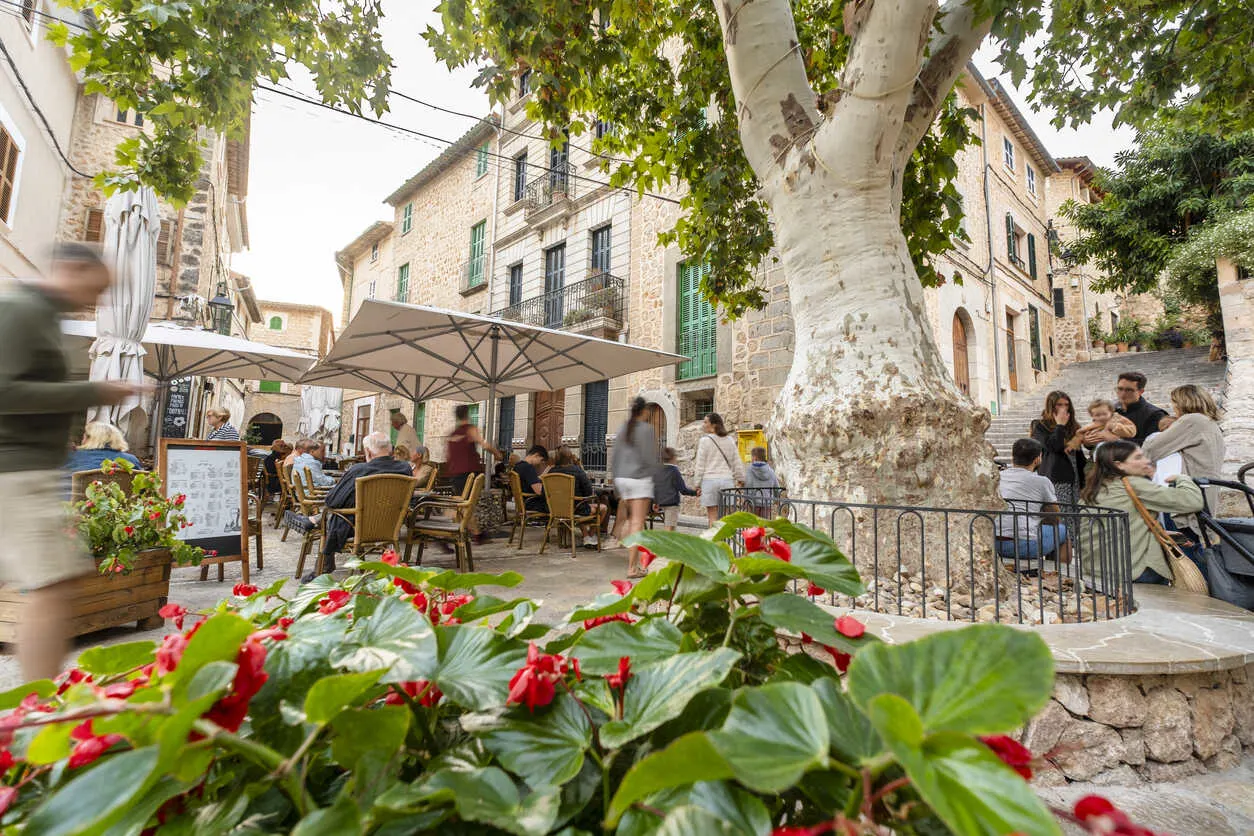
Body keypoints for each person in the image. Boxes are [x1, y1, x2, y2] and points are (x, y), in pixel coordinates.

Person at [0, 242, 148, 680]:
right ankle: (38, 709)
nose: (95, 301)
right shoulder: (23, 310)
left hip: (25, 466)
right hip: (16, 470)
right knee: (54, 584)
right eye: (95, 288)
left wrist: (60, 438)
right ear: (72, 269)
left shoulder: (42, 315)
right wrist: (94, 393)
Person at [1081, 440, 1205, 585]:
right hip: (1136, 571)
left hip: (1098, 570)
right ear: (1118, 465)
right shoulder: (1133, 485)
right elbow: (1192, 501)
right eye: (1138, 457)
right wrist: (1183, 479)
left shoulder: (1091, 491)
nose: (1146, 461)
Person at [308, 431, 412, 581]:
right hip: (390, 525)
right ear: (390, 449)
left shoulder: (359, 470)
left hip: (357, 527)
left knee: (332, 515)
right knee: (336, 513)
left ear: (368, 452)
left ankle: (323, 559)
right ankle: (313, 521)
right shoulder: (405, 468)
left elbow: (332, 501)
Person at [1142, 384, 1225, 531]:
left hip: (1186, 496)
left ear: (1182, 402)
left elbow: (1151, 449)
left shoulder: (1191, 421)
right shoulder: (1210, 424)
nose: (1172, 406)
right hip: (1204, 494)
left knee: (1184, 548)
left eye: (1174, 402)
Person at [996, 439, 1069, 565]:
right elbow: (1055, 518)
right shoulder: (1042, 481)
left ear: (1013, 457)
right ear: (1038, 459)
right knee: (1062, 530)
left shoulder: (998, 476)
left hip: (993, 541)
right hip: (1024, 545)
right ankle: (1057, 575)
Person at [611, 397, 659, 577]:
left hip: (623, 479)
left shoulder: (623, 427)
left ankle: (628, 552)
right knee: (637, 523)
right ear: (644, 411)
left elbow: (614, 457)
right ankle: (632, 568)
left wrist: (616, 483)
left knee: (632, 521)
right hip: (639, 479)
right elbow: (649, 458)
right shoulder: (647, 429)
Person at [446, 404, 505, 543]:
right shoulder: (470, 429)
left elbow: (449, 455)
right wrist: (497, 454)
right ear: (468, 415)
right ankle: (443, 535)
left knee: (465, 503)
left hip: (455, 473)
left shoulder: (452, 434)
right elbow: (484, 444)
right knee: (463, 504)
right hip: (468, 473)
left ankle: (477, 534)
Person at [1029, 391, 1086, 505]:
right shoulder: (1039, 425)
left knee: (1075, 516)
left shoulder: (1073, 426)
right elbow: (1054, 446)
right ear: (1051, 406)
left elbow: (1079, 454)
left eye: (1066, 405)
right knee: (1059, 516)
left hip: (1074, 478)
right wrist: (1060, 425)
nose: (1063, 408)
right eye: (1059, 405)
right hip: (1055, 477)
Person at [693, 412, 745, 527]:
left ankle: (714, 542)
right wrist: (740, 478)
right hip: (727, 481)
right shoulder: (730, 440)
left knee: (712, 517)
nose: (704, 424)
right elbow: (736, 461)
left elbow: (700, 465)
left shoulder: (704, 441)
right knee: (725, 517)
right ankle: (723, 542)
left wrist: (697, 484)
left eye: (706, 422)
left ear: (714, 424)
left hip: (709, 480)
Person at [550, 448, 608, 548]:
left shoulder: (551, 472)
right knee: (603, 508)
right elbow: (588, 492)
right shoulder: (577, 471)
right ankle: (589, 535)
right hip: (577, 509)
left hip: (557, 510)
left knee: (576, 503)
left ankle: (586, 536)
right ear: (570, 458)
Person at [1096, 372, 1169, 446]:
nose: (1123, 394)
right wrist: (1088, 441)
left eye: (1129, 390)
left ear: (1141, 391)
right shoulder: (1107, 410)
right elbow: (1095, 436)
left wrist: (1117, 440)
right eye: (1120, 389)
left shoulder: (1156, 415)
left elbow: (1154, 445)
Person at [64, 422, 143, 473]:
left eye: (84, 437)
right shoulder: (130, 460)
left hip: (70, 498)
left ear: (89, 439)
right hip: (114, 498)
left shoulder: (69, 456)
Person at [652, 447, 696, 531]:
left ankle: (669, 543)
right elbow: (683, 489)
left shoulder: (657, 470)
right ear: (673, 457)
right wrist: (694, 493)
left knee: (671, 527)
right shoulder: (674, 471)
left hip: (660, 502)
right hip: (671, 504)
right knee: (669, 528)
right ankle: (665, 544)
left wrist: (655, 502)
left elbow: (655, 487)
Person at [1069, 400, 1136, 452]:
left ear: (1111, 412)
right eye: (1097, 415)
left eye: (1104, 414)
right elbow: (1080, 433)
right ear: (1092, 416)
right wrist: (1073, 445)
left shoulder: (1116, 419)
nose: (1101, 417)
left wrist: (1116, 427)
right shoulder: (1093, 425)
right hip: (1099, 449)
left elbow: (1131, 430)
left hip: (1117, 448)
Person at [744, 446, 781, 516]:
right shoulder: (771, 471)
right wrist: (776, 499)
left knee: (754, 524)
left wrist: (746, 500)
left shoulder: (749, 470)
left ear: (755, 457)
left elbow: (747, 486)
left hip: (753, 502)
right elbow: (777, 487)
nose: (751, 459)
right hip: (767, 502)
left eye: (751, 457)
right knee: (764, 524)